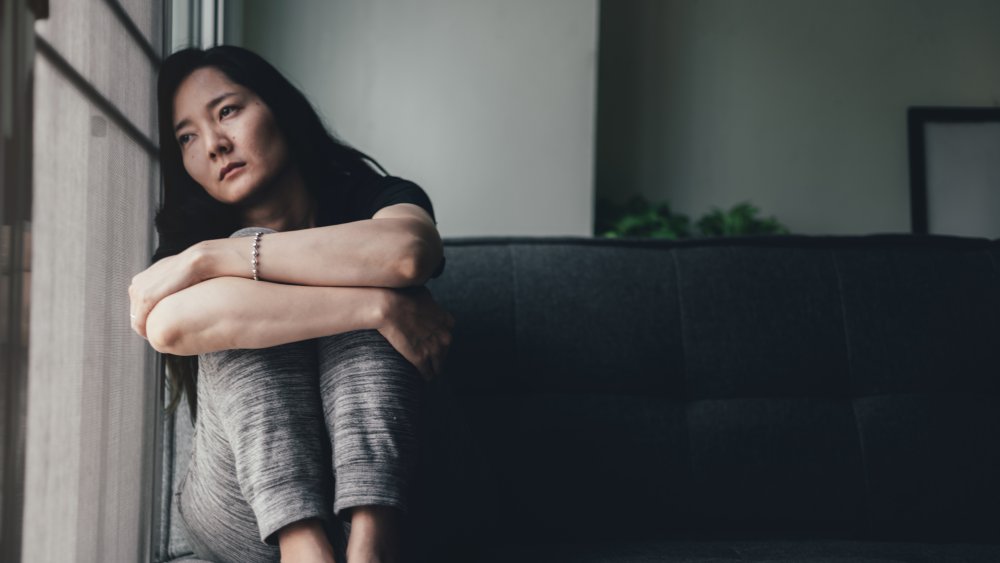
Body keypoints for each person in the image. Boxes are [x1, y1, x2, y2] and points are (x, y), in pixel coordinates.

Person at [127, 45, 453, 563]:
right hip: (239, 508)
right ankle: (304, 548)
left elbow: (409, 253)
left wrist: (219, 258)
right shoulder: (192, 239)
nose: (213, 144)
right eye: (186, 137)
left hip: (387, 490)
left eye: (227, 111)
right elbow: (168, 325)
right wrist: (376, 308)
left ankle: (371, 541)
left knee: (367, 262)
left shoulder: (370, 197)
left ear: (278, 107)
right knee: (339, 290)